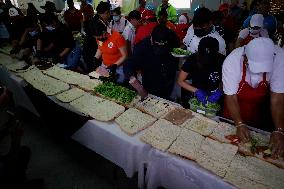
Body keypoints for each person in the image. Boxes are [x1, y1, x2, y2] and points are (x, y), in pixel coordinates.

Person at [222, 37, 284, 158]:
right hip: (235, 104)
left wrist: (279, 129)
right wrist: (239, 123)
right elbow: (231, 96)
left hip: (256, 106)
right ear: (245, 59)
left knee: (253, 136)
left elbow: (277, 98)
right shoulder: (232, 61)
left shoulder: (281, 59)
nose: (260, 73)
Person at [124, 24, 179, 99]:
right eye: (157, 47)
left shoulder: (172, 38)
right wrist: (135, 82)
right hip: (150, 82)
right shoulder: (142, 47)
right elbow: (128, 65)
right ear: (151, 39)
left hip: (169, 79)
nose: (160, 50)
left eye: (163, 47)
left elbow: (178, 49)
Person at [178, 37, 225, 107]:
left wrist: (220, 90)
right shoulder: (192, 59)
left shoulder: (223, 60)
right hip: (196, 93)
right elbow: (180, 81)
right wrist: (196, 91)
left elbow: (226, 80)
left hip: (215, 94)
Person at [93, 16, 127, 83]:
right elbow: (100, 48)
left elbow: (125, 55)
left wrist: (115, 65)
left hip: (118, 68)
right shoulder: (98, 37)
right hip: (104, 66)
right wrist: (96, 58)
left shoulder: (117, 37)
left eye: (100, 37)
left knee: (116, 84)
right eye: (97, 37)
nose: (99, 39)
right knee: (102, 82)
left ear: (104, 31)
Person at [83, 1, 111, 72]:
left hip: (96, 50)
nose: (109, 15)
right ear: (104, 13)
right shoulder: (95, 23)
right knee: (93, 70)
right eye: (108, 13)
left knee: (97, 69)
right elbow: (100, 38)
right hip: (92, 50)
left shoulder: (102, 20)